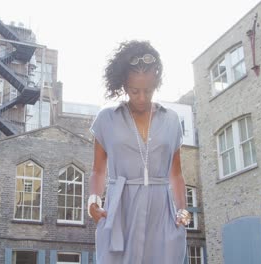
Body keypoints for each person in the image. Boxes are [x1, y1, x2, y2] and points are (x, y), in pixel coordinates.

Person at [88, 40, 191, 264]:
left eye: (149, 90)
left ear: (157, 84)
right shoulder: (107, 118)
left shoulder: (172, 120)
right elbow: (98, 170)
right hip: (120, 212)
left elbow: (176, 173)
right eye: (135, 91)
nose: (142, 98)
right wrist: (93, 201)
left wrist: (182, 209)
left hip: (161, 214)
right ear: (124, 85)